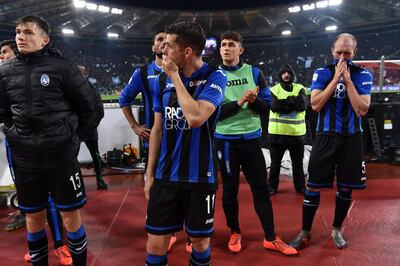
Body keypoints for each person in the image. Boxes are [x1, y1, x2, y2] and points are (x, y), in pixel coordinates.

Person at [0, 15, 99, 265]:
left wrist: (73, 140)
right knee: (33, 220)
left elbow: (91, 108)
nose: (20, 36)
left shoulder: (63, 67)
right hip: (26, 161)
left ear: (44, 39)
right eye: (18, 32)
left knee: (70, 217)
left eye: (28, 32)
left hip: (60, 158)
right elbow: (4, 112)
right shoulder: (5, 72)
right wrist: (15, 133)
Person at [144, 21, 227, 266]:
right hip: (165, 175)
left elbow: (196, 117)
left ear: (187, 51)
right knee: (155, 244)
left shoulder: (215, 76)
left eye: (169, 46)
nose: (163, 50)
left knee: (200, 244)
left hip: (201, 177)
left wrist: (175, 78)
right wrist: (149, 173)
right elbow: (158, 129)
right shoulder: (160, 81)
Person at [214, 31, 297, 256]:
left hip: (251, 141)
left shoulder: (255, 72)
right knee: (229, 192)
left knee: (260, 190)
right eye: (223, 44)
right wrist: (241, 100)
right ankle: (235, 231)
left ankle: (270, 237)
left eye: (231, 44)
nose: (226, 48)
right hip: (226, 143)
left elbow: (267, 108)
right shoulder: (214, 75)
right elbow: (214, 113)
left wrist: (254, 101)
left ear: (240, 50)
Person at [289, 33, 372, 250]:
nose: (343, 57)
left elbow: (361, 109)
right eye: (339, 52)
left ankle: (336, 228)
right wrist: (335, 79)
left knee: (345, 188)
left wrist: (348, 81)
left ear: (355, 52)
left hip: (352, 139)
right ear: (332, 51)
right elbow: (315, 105)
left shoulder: (363, 75)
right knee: (313, 187)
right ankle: (305, 231)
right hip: (325, 137)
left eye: (347, 52)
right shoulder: (322, 73)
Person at [118, 30, 180, 250]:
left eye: (167, 40)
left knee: (184, 185)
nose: (163, 43)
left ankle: (188, 231)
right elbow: (123, 99)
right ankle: (164, 228)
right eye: (158, 40)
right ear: (153, 47)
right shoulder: (143, 73)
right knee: (155, 185)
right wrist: (135, 126)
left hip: (181, 140)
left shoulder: (183, 70)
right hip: (155, 140)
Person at [268, 64, 307, 195]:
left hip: (296, 135)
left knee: (298, 165)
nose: (286, 75)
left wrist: (284, 103)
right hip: (277, 135)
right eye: (283, 73)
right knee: (275, 164)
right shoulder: (273, 90)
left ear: (292, 75)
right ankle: (272, 187)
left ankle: (300, 187)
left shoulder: (300, 88)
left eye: (288, 73)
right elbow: (275, 107)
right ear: (280, 75)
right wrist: (292, 102)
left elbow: (301, 106)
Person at [0, 39, 27, 232]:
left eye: (4, 52)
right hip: (13, 136)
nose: (1, 57)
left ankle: (28, 213)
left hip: (20, 138)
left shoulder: (18, 78)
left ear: (16, 54)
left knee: (22, 176)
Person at [78, 65, 108, 190]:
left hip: (85, 130)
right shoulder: (70, 89)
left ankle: (99, 181)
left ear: (85, 74)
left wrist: (91, 125)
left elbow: (100, 110)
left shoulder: (92, 89)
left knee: (95, 157)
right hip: (78, 130)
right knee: (74, 159)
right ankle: (93, 182)